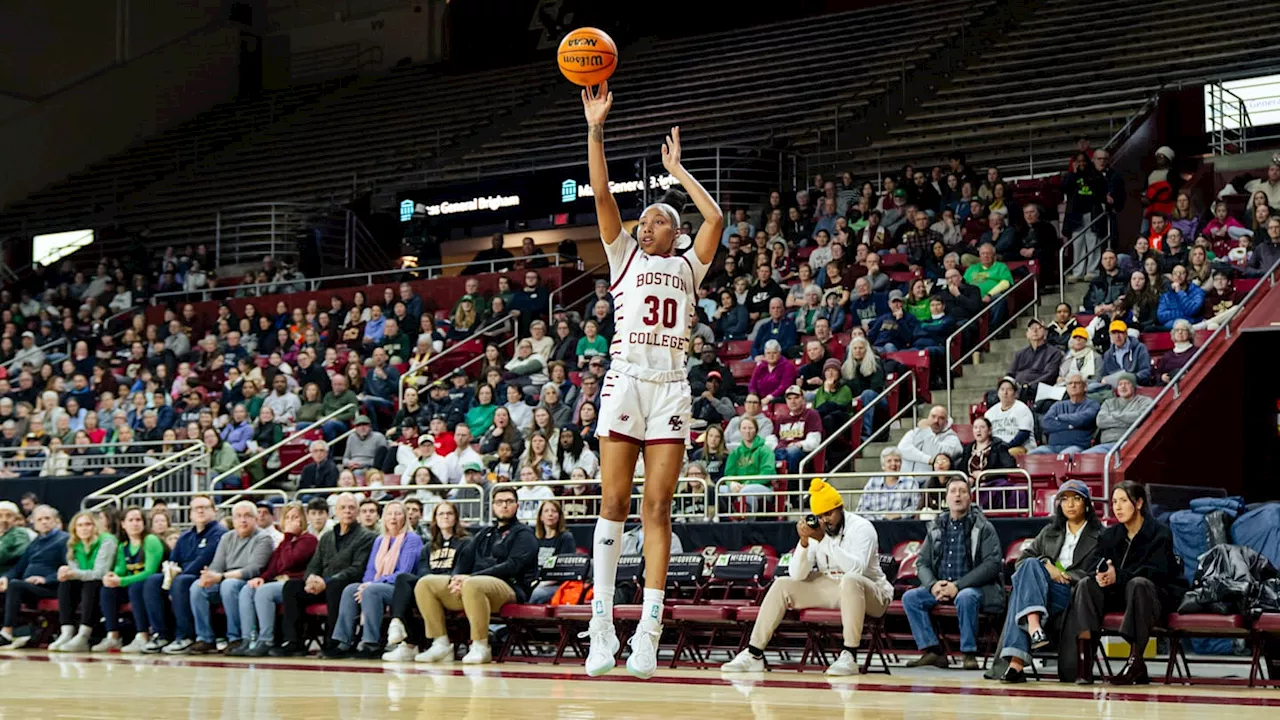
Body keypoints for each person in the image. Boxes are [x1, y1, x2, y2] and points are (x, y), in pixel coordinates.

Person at [579, 83, 725, 679]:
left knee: (657, 510)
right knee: (613, 502)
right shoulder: (624, 258)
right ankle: (602, 624)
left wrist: (677, 172)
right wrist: (596, 129)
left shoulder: (691, 264)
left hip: (670, 386)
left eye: (658, 220)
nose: (645, 226)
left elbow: (715, 215)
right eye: (642, 220)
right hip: (625, 379)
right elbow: (604, 192)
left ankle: (649, 629)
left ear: (676, 234)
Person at [722, 479, 893, 676]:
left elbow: (857, 569)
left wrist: (824, 540)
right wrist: (804, 543)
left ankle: (850, 655)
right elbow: (797, 574)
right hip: (832, 586)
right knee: (783, 584)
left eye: (829, 514)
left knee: (850, 580)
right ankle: (754, 654)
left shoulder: (862, 528)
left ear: (840, 508)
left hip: (872, 592)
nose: (825, 521)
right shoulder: (818, 531)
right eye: (820, 516)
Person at [1070, 481, 1186, 686]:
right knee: (1086, 584)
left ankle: (1136, 661)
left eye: (1124, 501)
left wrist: (1119, 577)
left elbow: (1155, 574)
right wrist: (1101, 574)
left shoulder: (1160, 533)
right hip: (1117, 596)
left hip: (1153, 598)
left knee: (1139, 584)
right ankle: (1084, 660)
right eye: (1115, 502)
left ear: (1139, 503)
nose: (1118, 507)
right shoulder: (1110, 535)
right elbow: (1092, 563)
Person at [992, 480, 1102, 683]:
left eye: (1076, 499)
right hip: (1043, 591)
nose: (1070, 504)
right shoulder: (1049, 531)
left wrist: (1065, 576)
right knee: (1031, 565)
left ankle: (1021, 652)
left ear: (1086, 504)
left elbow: (1096, 572)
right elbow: (1023, 562)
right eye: (1065, 499)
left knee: (1020, 590)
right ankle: (1031, 637)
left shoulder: (1099, 535)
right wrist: (1047, 565)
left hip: (1072, 592)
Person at [413, 487, 537, 666]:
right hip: (474, 586)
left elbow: (512, 566)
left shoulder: (524, 534)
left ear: (517, 506)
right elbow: (464, 559)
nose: (504, 505)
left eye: (509, 501)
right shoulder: (485, 533)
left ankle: (480, 645)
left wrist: (470, 577)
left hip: (510, 588)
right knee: (425, 583)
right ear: (493, 506)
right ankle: (440, 643)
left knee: (473, 584)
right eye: (499, 502)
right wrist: (456, 578)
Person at [901, 478, 1004, 670]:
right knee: (910, 598)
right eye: (953, 491)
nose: (958, 495)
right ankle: (933, 651)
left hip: (975, 588)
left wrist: (957, 586)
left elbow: (992, 565)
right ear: (946, 498)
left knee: (965, 597)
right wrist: (932, 585)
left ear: (970, 498)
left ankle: (969, 653)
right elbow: (922, 562)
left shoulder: (983, 527)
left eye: (963, 491)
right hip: (941, 586)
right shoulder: (936, 526)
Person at [271, 493, 376, 656]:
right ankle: (294, 641)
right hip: (321, 585)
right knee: (292, 587)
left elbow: (357, 569)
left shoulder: (367, 537)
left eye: (351, 508)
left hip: (346, 585)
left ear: (357, 512)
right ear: (335, 512)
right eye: (343, 508)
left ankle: (333, 642)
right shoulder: (327, 537)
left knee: (335, 587)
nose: (347, 511)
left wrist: (325, 582)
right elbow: (314, 565)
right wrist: (310, 579)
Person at [166, 501, 272, 655]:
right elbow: (217, 564)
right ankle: (205, 638)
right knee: (197, 586)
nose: (243, 520)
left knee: (228, 585)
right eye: (238, 516)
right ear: (233, 520)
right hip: (225, 579)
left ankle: (235, 638)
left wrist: (220, 576)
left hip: (248, 582)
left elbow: (254, 569)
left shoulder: (263, 538)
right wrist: (209, 576)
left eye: (248, 516)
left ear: (255, 519)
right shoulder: (227, 537)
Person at [323, 500, 423, 659]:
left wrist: (372, 584)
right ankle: (343, 641)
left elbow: (404, 572)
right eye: (389, 514)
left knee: (372, 591)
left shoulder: (412, 539)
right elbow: (371, 569)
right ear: (384, 518)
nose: (393, 518)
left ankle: (371, 643)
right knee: (350, 590)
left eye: (398, 514)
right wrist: (365, 584)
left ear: (405, 517)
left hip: (399, 589)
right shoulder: (379, 540)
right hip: (376, 584)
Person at [381, 501, 471, 661]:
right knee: (403, 581)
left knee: (416, 588)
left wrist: (437, 580)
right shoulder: (429, 546)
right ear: (435, 519)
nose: (445, 517)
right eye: (441, 514)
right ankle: (404, 636)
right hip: (427, 587)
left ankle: (416, 641)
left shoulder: (466, 543)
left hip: (450, 588)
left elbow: (460, 569)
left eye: (449, 513)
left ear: (456, 518)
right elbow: (423, 571)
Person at [138, 495, 225, 653]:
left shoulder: (219, 533)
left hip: (206, 576)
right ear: (190, 513)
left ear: (214, 511)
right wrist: (169, 575)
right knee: (153, 581)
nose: (200, 511)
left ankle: (185, 635)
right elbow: (173, 560)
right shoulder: (185, 536)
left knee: (182, 581)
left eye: (204, 507)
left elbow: (205, 559)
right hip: (180, 575)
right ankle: (161, 634)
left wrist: (176, 577)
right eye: (195, 508)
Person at [230, 503, 318, 657]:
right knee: (248, 589)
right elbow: (273, 566)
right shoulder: (285, 542)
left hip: (295, 583)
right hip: (278, 582)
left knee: (265, 592)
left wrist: (288, 536)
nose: (291, 522)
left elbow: (292, 561)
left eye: (295, 517)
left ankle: (266, 639)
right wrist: (261, 578)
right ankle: (248, 639)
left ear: (303, 520)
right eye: (288, 518)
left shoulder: (308, 540)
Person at [45, 511, 118, 653]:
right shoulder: (73, 544)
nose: (84, 528)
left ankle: (84, 634)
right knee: (66, 583)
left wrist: (74, 573)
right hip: (85, 582)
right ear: (74, 529)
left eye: (88, 524)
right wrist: (65, 571)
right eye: (80, 525)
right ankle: (66, 632)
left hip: (106, 582)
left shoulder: (107, 540)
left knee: (92, 584)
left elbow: (100, 573)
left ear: (95, 526)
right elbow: (74, 571)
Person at [0, 505, 67, 648]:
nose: (44, 522)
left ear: (55, 521)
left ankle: (7, 633)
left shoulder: (63, 540)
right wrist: (5, 578)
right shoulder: (35, 543)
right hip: (29, 587)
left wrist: (46, 579)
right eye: (40, 519)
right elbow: (19, 567)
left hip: (51, 587)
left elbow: (69, 568)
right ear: (34, 524)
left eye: (47, 518)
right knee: (7, 586)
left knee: (15, 585)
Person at [101, 507, 165, 653]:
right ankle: (113, 636)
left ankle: (142, 635)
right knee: (107, 589)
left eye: (138, 520)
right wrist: (112, 576)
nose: (135, 523)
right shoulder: (123, 546)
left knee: (136, 587)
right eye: (131, 520)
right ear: (123, 524)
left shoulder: (150, 540)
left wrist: (121, 581)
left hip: (155, 585)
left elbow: (150, 571)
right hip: (134, 584)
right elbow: (121, 570)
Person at [1083, 373, 1154, 455]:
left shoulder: (1144, 401)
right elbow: (1100, 421)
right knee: (1083, 456)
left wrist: (1114, 415)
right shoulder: (1108, 403)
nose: (1123, 387)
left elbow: (1140, 418)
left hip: (1129, 444)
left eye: (1127, 383)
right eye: (1120, 384)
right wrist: (1128, 421)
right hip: (1106, 445)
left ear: (1134, 386)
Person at [1031, 374, 1100, 455]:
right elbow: (1046, 423)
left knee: (1064, 457)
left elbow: (1081, 420)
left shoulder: (1092, 404)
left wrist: (1059, 418)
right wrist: (1069, 426)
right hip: (1052, 447)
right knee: (1032, 455)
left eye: (1077, 383)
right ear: (1067, 388)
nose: (1073, 386)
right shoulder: (1058, 405)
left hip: (1077, 447)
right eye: (1070, 383)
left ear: (1085, 387)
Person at [527, 501, 578, 604]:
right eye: (546, 511)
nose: (550, 514)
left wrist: (541, 583)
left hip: (556, 584)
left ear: (559, 516)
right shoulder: (535, 538)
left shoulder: (566, 538)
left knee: (537, 593)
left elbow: (564, 569)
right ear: (541, 517)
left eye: (554, 511)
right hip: (536, 581)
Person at [857, 447, 923, 519]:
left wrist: (899, 515)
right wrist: (882, 517)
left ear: (901, 464)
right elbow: (862, 508)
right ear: (883, 466)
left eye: (897, 461)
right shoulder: (873, 481)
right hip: (876, 523)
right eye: (889, 461)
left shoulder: (910, 481)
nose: (893, 464)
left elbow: (917, 506)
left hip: (901, 523)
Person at [896, 405, 962, 473]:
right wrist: (928, 459)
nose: (936, 421)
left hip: (930, 482)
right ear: (928, 418)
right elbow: (902, 450)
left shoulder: (952, 439)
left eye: (941, 418)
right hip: (906, 480)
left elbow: (936, 454)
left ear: (946, 422)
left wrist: (927, 431)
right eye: (933, 416)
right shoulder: (916, 432)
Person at [1098, 320, 1152, 387]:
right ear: (1110, 335)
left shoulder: (1140, 348)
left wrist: (1130, 378)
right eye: (1114, 333)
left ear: (1126, 334)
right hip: (1113, 389)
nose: (1117, 336)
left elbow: (1146, 372)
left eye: (1120, 332)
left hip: (1135, 386)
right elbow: (1102, 376)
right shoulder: (1107, 354)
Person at [0, 501, 32, 577]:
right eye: (0, 516)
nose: (4, 520)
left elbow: (21, 554)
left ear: (15, 519)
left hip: (9, 574)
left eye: (8, 516)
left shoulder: (20, 533)